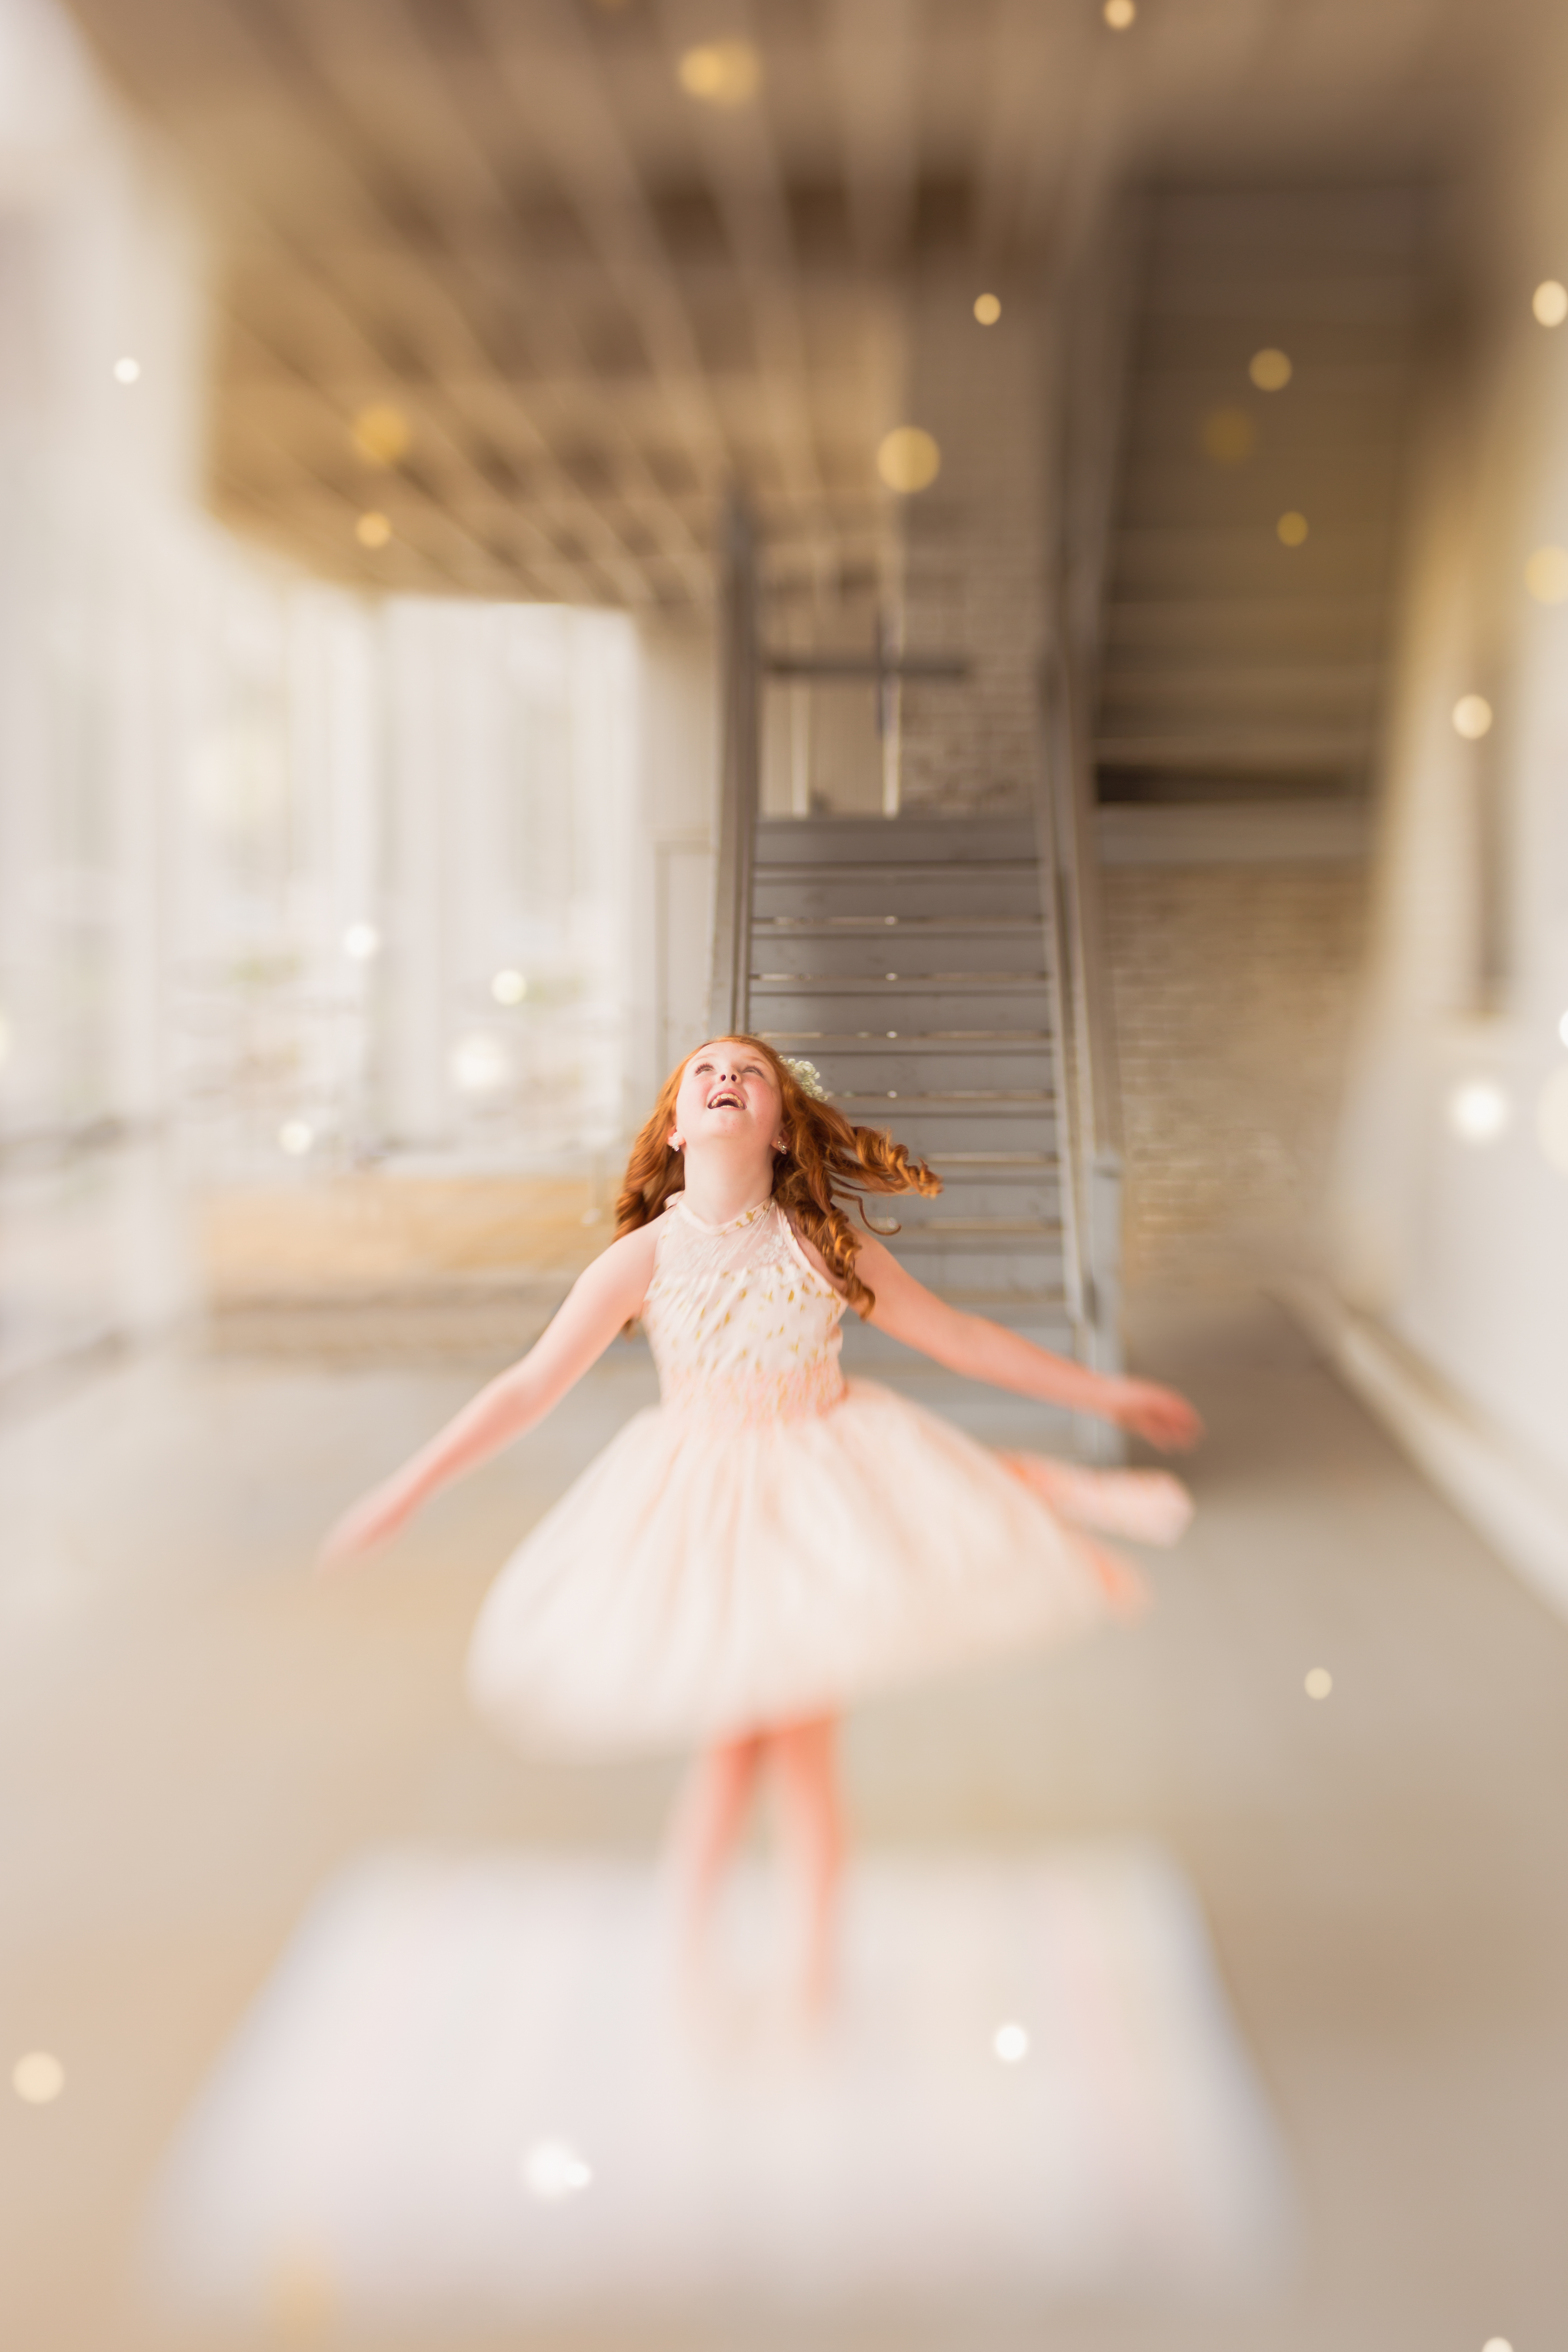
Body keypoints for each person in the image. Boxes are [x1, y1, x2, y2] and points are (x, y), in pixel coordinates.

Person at [320, 1036, 1202, 2010]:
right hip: (703, 1508)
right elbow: (528, 1386)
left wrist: (1108, 1393)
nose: (726, 1078)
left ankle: (796, 1971)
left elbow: (961, 1338)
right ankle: (706, 1962)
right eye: (705, 1071)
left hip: (818, 1492)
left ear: (781, 1130)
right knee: (736, 1745)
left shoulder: (822, 1245)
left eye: (751, 1073)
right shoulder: (642, 1258)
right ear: (674, 1124)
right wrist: (404, 1490)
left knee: (790, 1740)